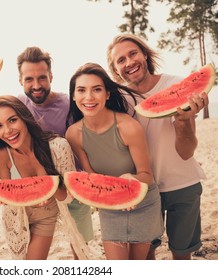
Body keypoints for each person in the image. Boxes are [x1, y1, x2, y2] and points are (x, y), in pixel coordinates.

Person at [106, 33, 207, 260]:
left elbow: (186, 151)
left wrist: (183, 122)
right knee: (146, 254)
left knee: (182, 254)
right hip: (143, 189)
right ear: (115, 69)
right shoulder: (118, 98)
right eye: (120, 60)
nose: (129, 62)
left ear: (145, 54)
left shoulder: (176, 85)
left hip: (183, 184)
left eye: (133, 54)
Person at [65, 62, 163, 260]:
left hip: (143, 200)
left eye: (97, 90)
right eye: (81, 90)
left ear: (107, 94)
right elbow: (91, 175)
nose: (89, 97)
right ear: (74, 96)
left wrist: (131, 179)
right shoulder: (73, 134)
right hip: (108, 203)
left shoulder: (128, 127)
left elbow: (147, 175)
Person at [0, 95, 90, 260]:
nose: (7, 131)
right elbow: (8, 191)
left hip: (47, 215)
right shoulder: (1, 154)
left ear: (25, 118)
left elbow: (67, 196)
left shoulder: (58, 147)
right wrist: (3, 197)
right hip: (16, 218)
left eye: (12, 120)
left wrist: (49, 190)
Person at [16, 46, 94, 258]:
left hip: (73, 185)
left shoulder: (71, 105)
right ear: (20, 81)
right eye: (29, 79)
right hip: (39, 187)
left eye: (42, 78)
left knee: (80, 248)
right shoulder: (17, 106)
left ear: (51, 76)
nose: (36, 85)